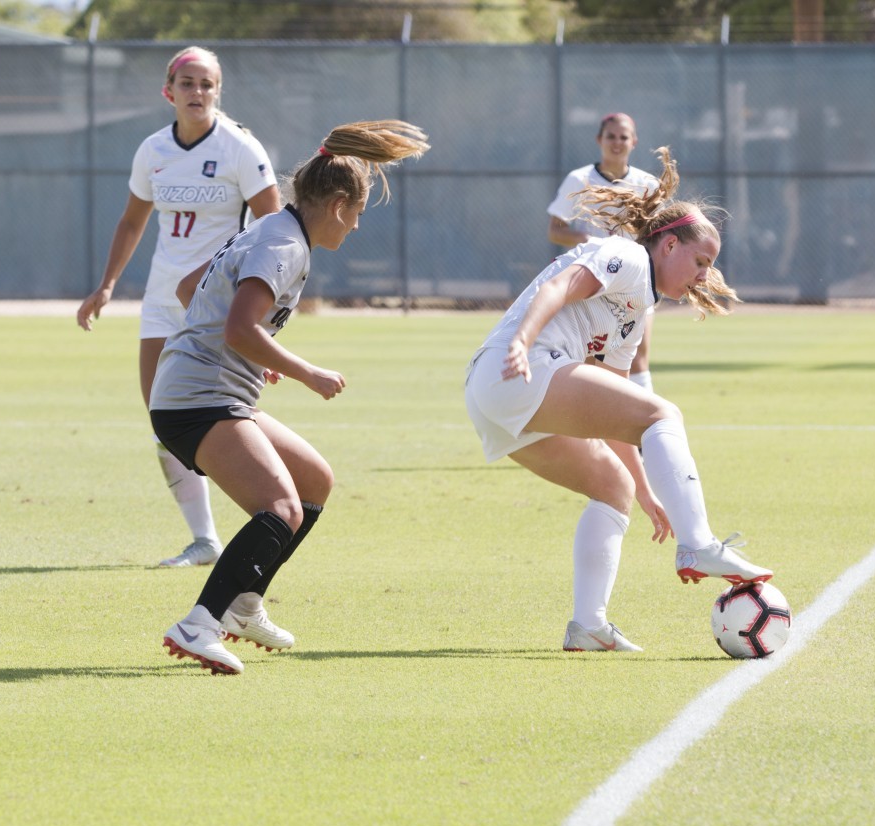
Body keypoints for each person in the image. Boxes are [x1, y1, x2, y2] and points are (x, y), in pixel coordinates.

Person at [150, 120, 430, 675]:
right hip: (197, 398)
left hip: (211, 389)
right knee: (279, 508)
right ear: (337, 204)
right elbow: (237, 327)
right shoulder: (282, 244)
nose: (353, 227)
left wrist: (250, 353)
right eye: (356, 214)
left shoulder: (274, 228)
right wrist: (304, 371)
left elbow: (192, 291)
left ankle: (244, 603)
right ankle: (199, 624)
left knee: (313, 482)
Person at [467, 147, 772, 653]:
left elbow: (612, 413)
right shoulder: (628, 257)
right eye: (700, 261)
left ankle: (588, 626)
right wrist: (522, 340)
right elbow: (560, 286)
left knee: (613, 484)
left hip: (496, 394)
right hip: (517, 368)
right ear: (668, 245)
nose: (703, 275)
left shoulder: (637, 309)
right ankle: (699, 544)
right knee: (663, 413)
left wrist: (647, 493)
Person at [76, 46, 281, 568]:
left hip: (215, 305)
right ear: (169, 91)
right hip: (162, 300)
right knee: (163, 418)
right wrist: (106, 286)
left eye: (207, 84)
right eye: (187, 83)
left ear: (218, 91)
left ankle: (271, 510)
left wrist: (261, 320)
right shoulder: (152, 151)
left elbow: (274, 226)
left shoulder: (239, 147)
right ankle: (205, 539)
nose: (197, 93)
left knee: (227, 412)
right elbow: (131, 222)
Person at [547, 112, 659, 394]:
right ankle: (592, 429)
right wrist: (587, 240)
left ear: (634, 142)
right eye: (611, 136)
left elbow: (657, 235)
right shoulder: (580, 179)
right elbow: (555, 230)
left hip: (633, 281)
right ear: (599, 140)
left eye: (624, 137)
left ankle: (640, 426)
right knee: (588, 360)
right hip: (593, 280)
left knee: (637, 359)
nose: (617, 142)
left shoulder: (647, 185)